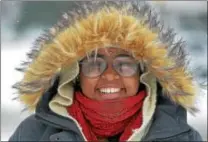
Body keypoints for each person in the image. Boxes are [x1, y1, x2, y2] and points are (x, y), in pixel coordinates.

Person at [9, 1, 203, 141]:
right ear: (75, 75)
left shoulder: (183, 137)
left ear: (144, 74)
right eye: (94, 63)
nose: (110, 74)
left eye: (124, 64)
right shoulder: (32, 133)